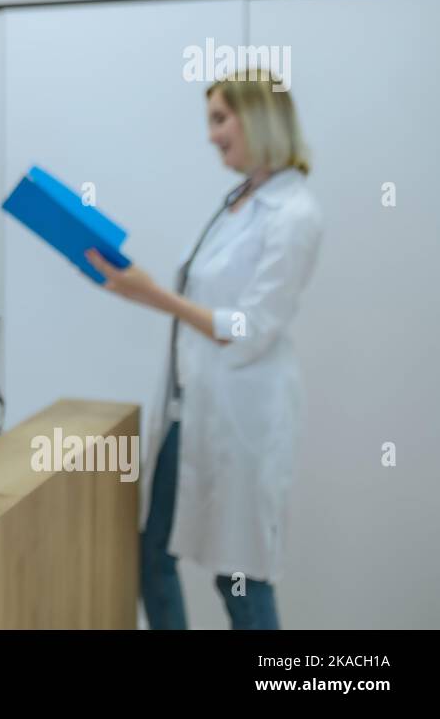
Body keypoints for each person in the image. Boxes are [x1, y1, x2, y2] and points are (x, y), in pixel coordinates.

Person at [85, 67, 323, 629]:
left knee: (239, 577)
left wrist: (152, 295)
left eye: (220, 119)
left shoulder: (294, 214)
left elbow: (252, 326)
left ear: (261, 117)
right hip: (192, 411)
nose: (212, 135)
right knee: (152, 555)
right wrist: (137, 288)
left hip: (243, 418)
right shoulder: (240, 200)